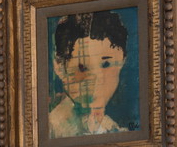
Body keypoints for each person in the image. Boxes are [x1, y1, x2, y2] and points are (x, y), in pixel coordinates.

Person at [48, 10, 133, 138]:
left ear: (122, 60)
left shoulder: (112, 128)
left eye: (106, 65)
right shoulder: (51, 129)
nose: (97, 78)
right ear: (59, 67)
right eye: (82, 68)